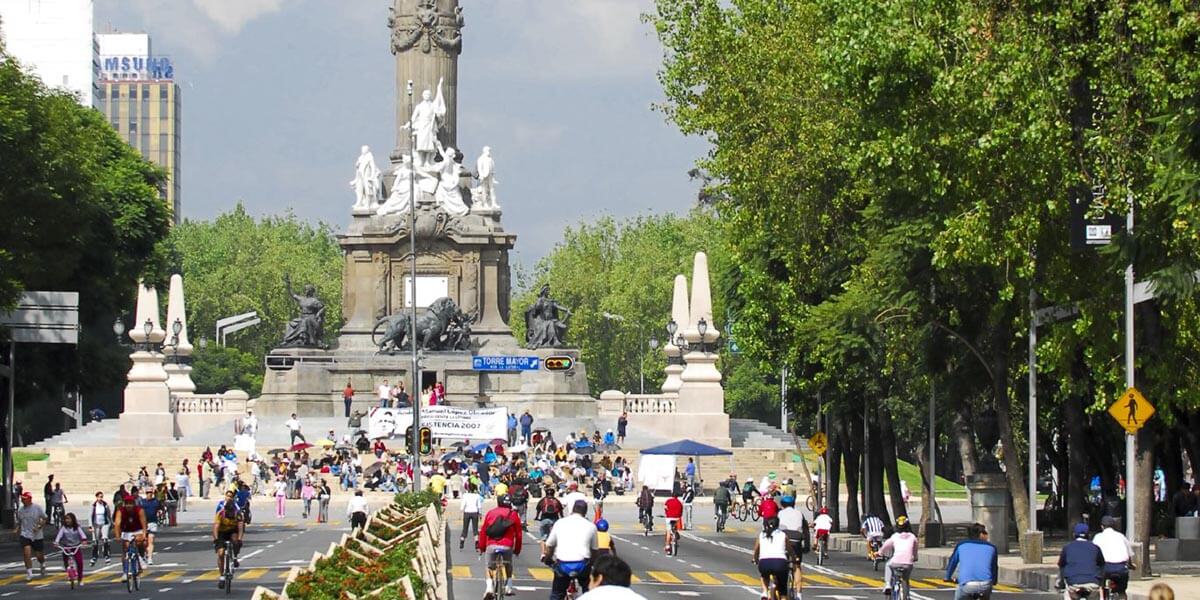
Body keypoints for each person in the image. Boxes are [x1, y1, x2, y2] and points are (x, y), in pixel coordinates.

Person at [543, 500, 599, 600]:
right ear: (585, 512)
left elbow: (550, 545)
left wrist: (548, 558)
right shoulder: (591, 526)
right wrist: (593, 564)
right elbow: (595, 550)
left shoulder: (560, 523)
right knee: (589, 590)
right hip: (582, 565)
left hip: (563, 564)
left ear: (573, 509)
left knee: (557, 593)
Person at [478, 494, 523, 599]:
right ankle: (508, 586)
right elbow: (519, 534)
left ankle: (489, 588)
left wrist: (482, 547)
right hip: (507, 545)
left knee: (489, 566)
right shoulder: (513, 515)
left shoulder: (491, 513)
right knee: (508, 564)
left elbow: (484, 532)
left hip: (492, 545)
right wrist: (517, 549)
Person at [945, 523, 998, 600]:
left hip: (967, 585)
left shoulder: (961, 545)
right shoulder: (992, 547)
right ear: (981, 534)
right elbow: (994, 567)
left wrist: (947, 577)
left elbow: (952, 562)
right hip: (986, 585)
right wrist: (994, 581)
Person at [1058, 522, 1104, 599]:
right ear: (1088, 535)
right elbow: (1102, 565)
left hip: (1073, 584)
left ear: (1074, 534)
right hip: (1093, 584)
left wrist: (1061, 582)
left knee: (1067, 593)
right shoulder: (1095, 547)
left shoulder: (1067, 547)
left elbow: (1061, 565)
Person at [1093, 515, 1134, 595]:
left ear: (1102, 526)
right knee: (1122, 590)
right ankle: (1122, 596)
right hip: (1121, 568)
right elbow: (1129, 555)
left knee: (1101, 586)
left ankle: (1102, 597)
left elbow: (1093, 554)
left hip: (1105, 568)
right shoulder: (1121, 536)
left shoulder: (1097, 537)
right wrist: (1131, 565)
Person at [212, 491, 244, 590]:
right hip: (222, 532)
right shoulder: (220, 513)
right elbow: (215, 527)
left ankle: (234, 557)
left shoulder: (237, 513)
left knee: (235, 541)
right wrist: (216, 540)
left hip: (232, 531)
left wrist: (239, 540)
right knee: (221, 553)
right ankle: (222, 576)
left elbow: (240, 527)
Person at [753, 517, 792, 600]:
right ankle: (783, 596)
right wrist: (795, 557)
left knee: (764, 575)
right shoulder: (783, 535)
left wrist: (755, 559)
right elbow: (790, 549)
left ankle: (764, 592)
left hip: (764, 563)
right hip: (780, 563)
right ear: (778, 525)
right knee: (783, 588)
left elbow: (756, 550)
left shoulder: (762, 535)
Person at [880, 515, 918, 596]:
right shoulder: (913, 537)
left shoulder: (895, 536)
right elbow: (915, 551)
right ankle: (907, 596)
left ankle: (887, 584)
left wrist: (880, 553)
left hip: (895, 562)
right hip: (908, 564)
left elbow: (885, 546)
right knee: (906, 579)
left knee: (888, 564)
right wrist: (915, 557)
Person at [113, 493, 148, 582]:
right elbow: (117, 524)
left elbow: (144, 523)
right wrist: (117, 536)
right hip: (126, 531)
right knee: (125, 549)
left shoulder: (139, 510)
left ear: (134, 503)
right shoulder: (120, 511)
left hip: (138, 530)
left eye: (131, 503)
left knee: (140, 542)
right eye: (127, 503)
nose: (129, 505)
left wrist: (144, 534)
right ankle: (125, 572)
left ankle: (141, 556)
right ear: (125, 504)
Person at [777, 496, 807, 591]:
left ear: (782, 504)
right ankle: (799, 593)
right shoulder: (799, 513)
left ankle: (779, 585)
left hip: (783, 540)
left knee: (780, 563)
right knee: (797, 566)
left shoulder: (780, 513)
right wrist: (806, 546)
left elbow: (775, 529)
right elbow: (806, 531)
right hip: (796, 540)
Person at [16, 491, 47, 580]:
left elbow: (44, 518)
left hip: (37, 535)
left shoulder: (37, 508)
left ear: (30, 499)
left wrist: (39, 526)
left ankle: (42, 563)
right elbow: (19, 522)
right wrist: (17, 529)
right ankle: (29, 572)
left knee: (39, 555)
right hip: (25, 534)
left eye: (25, 499)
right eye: (22, 499)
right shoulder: (21, 510)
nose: (23, 501)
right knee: (26, 553)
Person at [54, 512, 87, 586]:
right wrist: (56, 542)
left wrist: (84, 540)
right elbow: (59, 536)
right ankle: (68, 571)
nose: (67, 521)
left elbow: (82, 534)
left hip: (75, 547)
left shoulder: (77, 527)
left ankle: (80, 579)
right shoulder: (63, 528)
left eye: (69, 519)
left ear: (73, 520)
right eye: (66, 519)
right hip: (66, 546)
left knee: (79, 562)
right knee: (65, 560)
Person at [138, 487, 162, 564]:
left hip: (153, 522)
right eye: (148, 493)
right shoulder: (142, 502)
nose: (149, 494)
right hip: (143, 523)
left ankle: (150, 557)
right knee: (144, 541)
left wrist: (160, 513)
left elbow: (161, 509)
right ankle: (144, 554)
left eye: (150, 493)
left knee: (150, 540)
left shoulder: (156, 502)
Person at [89, 491, 112, 566]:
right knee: (95, 541)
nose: (100, 498)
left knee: (105, 539)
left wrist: (111, 523)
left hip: (104, 524)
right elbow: (90, 516)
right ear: (96, 497)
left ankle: (106, 555)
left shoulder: (105, 505)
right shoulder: (93, 505)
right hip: (96, 524)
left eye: (101, 497)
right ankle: (94, 556)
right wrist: (90, 526)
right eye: (99, 497)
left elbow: (109, 514)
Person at [460, 482, 484, 549]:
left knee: (465, 528)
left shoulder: (465, 495)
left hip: (467, 512)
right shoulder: (477, 496)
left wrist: (461, 510)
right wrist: (480, 513)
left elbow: (463, 505)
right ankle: (476, 542)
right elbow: (479, 506)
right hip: (475, 512)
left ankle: (462, 541)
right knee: (475, 528)